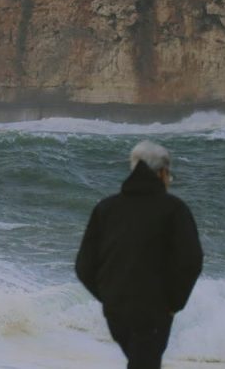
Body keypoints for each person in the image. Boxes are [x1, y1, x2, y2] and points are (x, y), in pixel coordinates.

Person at [75, 141, 203, 369]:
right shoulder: (174, 209)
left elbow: (84, 266)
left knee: (140, 362)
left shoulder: (106, 208)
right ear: (163, 173)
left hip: (116, 311)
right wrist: (174, 303)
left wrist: (109, 297)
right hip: (155, 310)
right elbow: (191, 261)